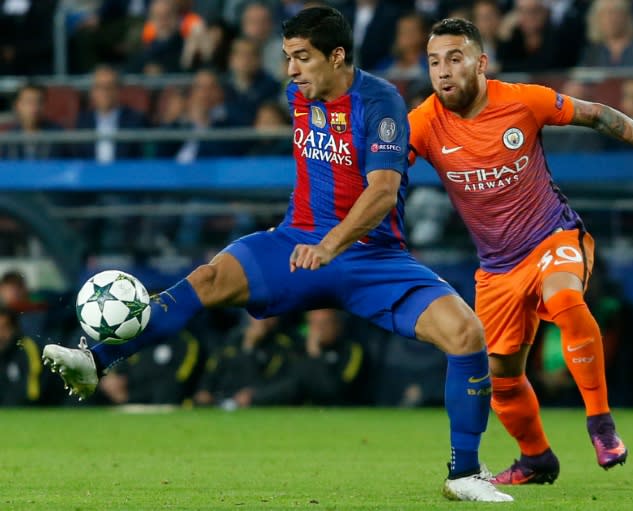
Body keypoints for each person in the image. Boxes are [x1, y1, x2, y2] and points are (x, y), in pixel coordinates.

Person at [42, 7, 511, 503]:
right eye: (288, 57)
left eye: (302, 58)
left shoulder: (381, 101)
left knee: (466, 332)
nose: (291, 70)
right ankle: (95, 360)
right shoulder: (299, 95)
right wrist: (305, 237)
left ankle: (464, 473)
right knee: (205, 280)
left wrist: (329, 245)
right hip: (295, 242)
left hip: (371, 257)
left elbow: (382, 191)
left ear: (337, 56)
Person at [408, 17, 633, 486]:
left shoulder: (522, 100)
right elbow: (379, 172)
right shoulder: (424, 122)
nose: (444, 71)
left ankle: (601, 424)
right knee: (501, 378)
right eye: (434, 62)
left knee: (565, 300)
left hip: (552, 236)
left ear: (481, 62)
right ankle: (536, 460)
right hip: (496, 268)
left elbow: (600, 115)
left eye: (455, 58)